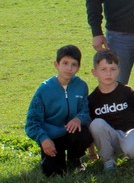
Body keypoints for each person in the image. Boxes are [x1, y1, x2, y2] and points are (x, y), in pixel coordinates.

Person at [25, 45, 93, 176]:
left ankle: (74, 159)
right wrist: (43, 138)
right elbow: (32, 123)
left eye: (74, 64)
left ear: (78, 67)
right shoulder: (44, 89)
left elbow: (86, 112)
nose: (69, 68)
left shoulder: (81, 86)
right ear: (56, 64)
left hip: (72, 133)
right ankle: (54, 158)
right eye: (65, 63)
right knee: (53, 174)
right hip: (51, 137)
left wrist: (78, 119)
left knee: (84, 134)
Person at [88, 49, 134, 172]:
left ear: (118, 70)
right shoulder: (92, 99)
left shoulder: (127, 91)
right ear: (94, 72)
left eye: (112, 69)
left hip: (129, 133)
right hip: (110, 139)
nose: (108, 74)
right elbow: (89, 127)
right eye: (103, 69)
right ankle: (108, 160)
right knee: (96, 124)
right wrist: (92, 153)